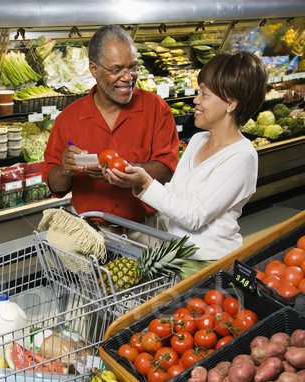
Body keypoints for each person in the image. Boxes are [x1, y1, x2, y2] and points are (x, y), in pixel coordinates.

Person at [104, 50, 268, 263]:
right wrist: (137, 180)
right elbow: (174, 193)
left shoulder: (242, 156)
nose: (195, 100)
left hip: (208, 263)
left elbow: (194, 217)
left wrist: (146, 182)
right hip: (177, 254)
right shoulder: (199, 140)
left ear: (231, 103)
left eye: (204, 94)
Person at [43, 25, 179, 236]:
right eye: (117, 70)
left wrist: (124, 170)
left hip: (147, 229)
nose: (128, 77)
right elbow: (56, 185)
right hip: (89, 234)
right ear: (94, 69)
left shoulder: (156, 108)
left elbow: (168, 170)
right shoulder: (68, 119)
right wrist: (66, 169)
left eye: (133, 67)